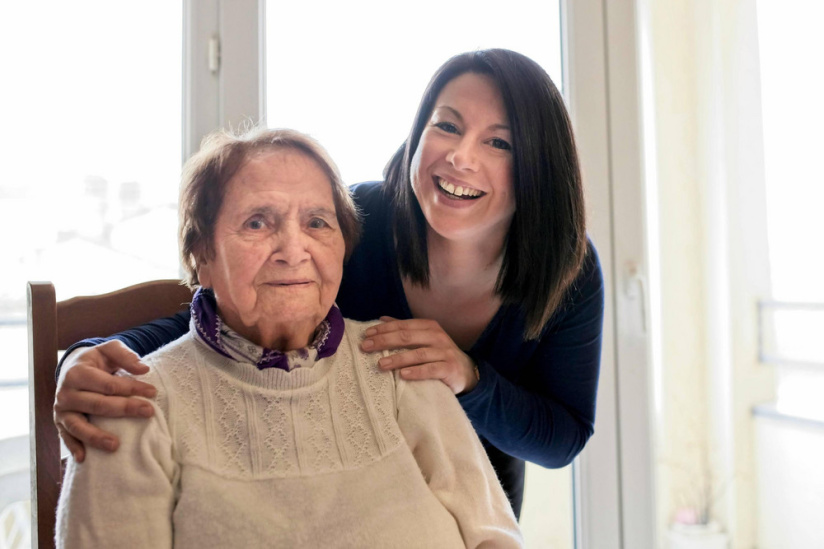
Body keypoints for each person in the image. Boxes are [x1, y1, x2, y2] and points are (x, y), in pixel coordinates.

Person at [53, 49, 605, 518]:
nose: (460, 156)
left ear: (539, 166)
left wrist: (470, 377)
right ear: (418, 132)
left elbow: (562, 438)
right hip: (334, 499)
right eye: (448, 125)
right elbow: (220, 310)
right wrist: (80, 357)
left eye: (499, 143)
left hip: (469, 514)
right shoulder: (357, 219)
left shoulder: (569, 272)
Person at [55, 128, 523, 548]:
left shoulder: (403, 367)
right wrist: (74, 358)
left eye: (318, 222)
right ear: (201, 254)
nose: (294, 250)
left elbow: (494, 537)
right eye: (258, 222)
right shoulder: (130, 407)